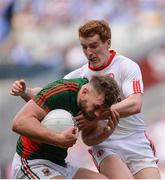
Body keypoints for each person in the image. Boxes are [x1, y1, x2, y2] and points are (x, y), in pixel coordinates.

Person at [10, 20, 161, 179]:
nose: (89, 52)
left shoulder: (126, 66)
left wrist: (101, 113)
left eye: (94, 46)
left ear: (107, 43)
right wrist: (25, 91)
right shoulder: (78, 77)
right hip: (105, 143)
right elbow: (47, 96)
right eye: (84, 47)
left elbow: (135, 104)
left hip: (134, 139)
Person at [11, 75, 120, 179]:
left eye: (101, 110)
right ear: (84, 92)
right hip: (32, 162)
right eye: (96, 107)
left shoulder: (91, 103)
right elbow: (19, 123)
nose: (97, 114)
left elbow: (88, 140)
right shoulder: (63, 91)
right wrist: (58, 139)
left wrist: (105, 134)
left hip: (59, 164)